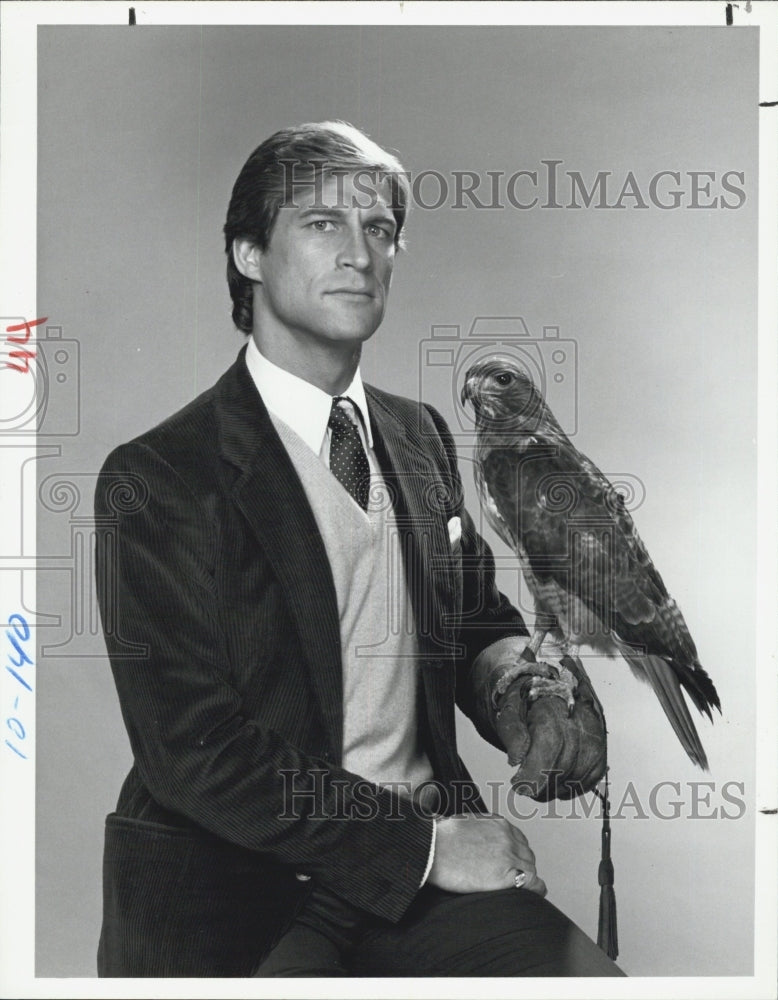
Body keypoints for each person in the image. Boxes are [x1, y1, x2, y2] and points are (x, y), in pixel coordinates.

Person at [94, 121, 624, 978]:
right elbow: (193, 749)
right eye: (322, 224)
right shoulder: (158, 476)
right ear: (248, 254)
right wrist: (419, 847)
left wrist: (523, 689)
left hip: (428, 896)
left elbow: (473, 619)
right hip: (245, 896)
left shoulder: (419, 436)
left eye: (379, 229)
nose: (361, 253)